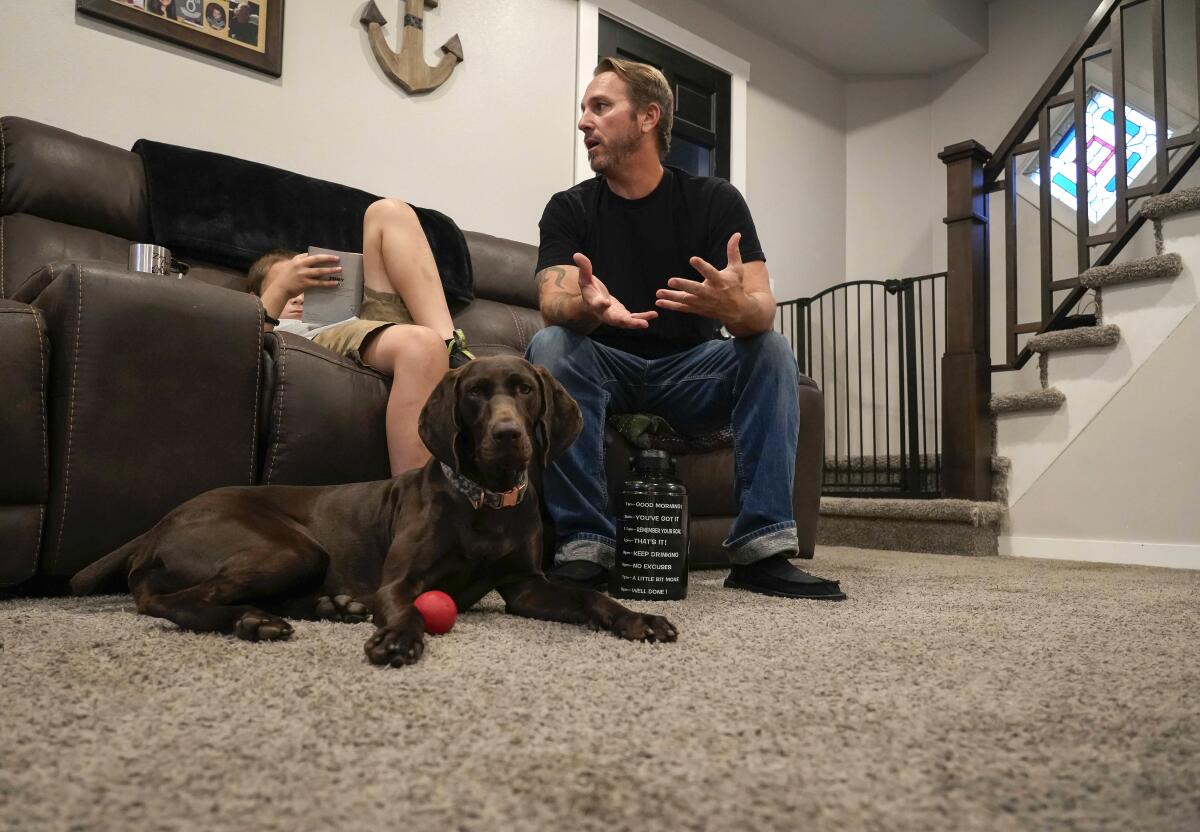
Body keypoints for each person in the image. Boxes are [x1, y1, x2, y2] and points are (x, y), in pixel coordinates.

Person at [526, 58, 844, 600]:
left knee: (769, 348)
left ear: (649, 117)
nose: (584, 121)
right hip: (605, 368)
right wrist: (587, 307)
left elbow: (762, 309)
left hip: (690, 374)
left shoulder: (715, 201)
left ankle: (761, 551)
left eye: (600, 107)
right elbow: (552, 303)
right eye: (583, 109)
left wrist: (730, 305)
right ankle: (584, 547)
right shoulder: (568, 209)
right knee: (551, 344)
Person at [247, 198, 474, 476]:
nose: (300, 298)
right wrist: (280, 288)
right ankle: (417, 507)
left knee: (389, 212)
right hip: (326, 338)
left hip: (365, 327)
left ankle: (451, 345)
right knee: (422, 346)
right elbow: (242, 347)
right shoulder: (271, 323)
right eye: (292, 290)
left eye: (306, 289)